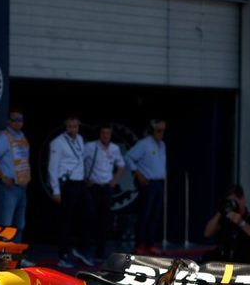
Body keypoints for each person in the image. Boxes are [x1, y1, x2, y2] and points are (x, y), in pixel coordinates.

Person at [48, 115, 88, 268]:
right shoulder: (57, 142)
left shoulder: (80, 139)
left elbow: (80, 161)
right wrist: (56, 190)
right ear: (66, 126)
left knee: (85, 216)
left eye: (75, 126)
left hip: (79, 183)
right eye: (70, 126)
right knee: (66, 221)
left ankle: (78, 250)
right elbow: (52, 167)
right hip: (66, 184)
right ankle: (63, 255)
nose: (73, 129)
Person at [0, 110, 30, 244]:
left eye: (20, 120)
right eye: (15, 120)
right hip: (9, 188)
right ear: (9, 121)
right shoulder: (3, 137)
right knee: (5, 226)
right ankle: (1, 255)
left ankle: (15, 253)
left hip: (22, 186)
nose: (18, 122)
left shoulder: (22, 137)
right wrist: (2, 176)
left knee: (20, 225)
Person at [82, 124, 127, 261]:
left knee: (104, 220)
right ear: (99, 134)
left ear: (111, 134)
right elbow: (78, 162)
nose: (105, 136)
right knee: (90, 219)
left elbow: (121, 165)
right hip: (93, 187)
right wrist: (85, 178)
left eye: (108, 133)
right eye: (103, 133)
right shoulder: (90, 146)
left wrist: (114, 181)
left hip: (107, 187)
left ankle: (100, 252)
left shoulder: (114, 148)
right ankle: (85, 250)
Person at [125, 119, 168, 256]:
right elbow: (128, 157)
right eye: (158, 130)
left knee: (155, 215)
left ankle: (151, 244)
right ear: (152, 130)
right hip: (148, 183)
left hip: (159, 183)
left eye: (163, 131)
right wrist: (137, 173)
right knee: (145, 214)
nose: (161, 134)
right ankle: (139, 245)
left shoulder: (162, 145)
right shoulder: (144, 144)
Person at [203, 184, 250, 264]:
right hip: (224, 263)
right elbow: (207, 233)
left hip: (243, 264)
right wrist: (221, 211)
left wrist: (241, 223)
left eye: (235, 201)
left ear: (242, 200)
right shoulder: (226, 218)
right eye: (230, 202)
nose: (233, 205)